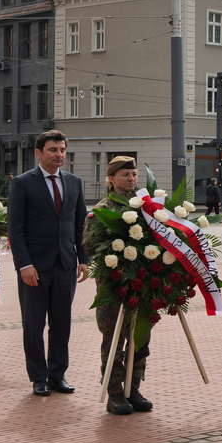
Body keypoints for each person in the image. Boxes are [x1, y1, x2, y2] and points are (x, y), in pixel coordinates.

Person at [7, 130, 90, 396]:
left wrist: (83, 259)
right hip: (34, 268)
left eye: (63, 150)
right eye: (53, 150)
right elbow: (15, 229)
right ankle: (38, 377)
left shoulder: (75, 182)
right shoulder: (22, 183)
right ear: (39, 153)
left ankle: (57, 375)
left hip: (65, 265)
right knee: (34, 325)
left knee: (61, 324)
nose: (59, 155)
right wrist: (24, 265)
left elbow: (80, 226)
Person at [82, 156, 153, 414]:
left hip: (142, 285)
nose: (131, 179)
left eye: (134, 174)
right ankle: (114, 392)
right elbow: (89, 246)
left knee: (139, 338)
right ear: (111, 179)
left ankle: (133, 389)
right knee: (113, 339)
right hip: (113, 287)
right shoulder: (101, 209)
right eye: (125, 175)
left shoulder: (146, 208)